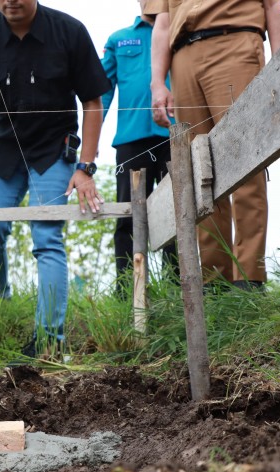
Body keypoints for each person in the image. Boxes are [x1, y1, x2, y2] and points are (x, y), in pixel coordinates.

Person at [0, 0, 111, 357]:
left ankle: (49, 340)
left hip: (54, 149)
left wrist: (85, 167)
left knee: (46, 236)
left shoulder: (69, 31)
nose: (10, 0)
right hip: (5, 150)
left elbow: (92, 101)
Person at [149, 0, 280, 290]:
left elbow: (274, 4)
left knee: (245, 160)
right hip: (182, 57)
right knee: (199, 173)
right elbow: (162, 23)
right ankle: (215, 281)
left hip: (234, 42)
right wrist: (157, 83)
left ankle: (250, 276)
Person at [101, 0, 178, 294]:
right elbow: (101, 94)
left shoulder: (177, 31)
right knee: (128, 217)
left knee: (175, 211)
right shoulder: (118, 39)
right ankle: (126, 291)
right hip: (130, 141)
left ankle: (177, 289)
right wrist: (89, 145)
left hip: (173, 135)